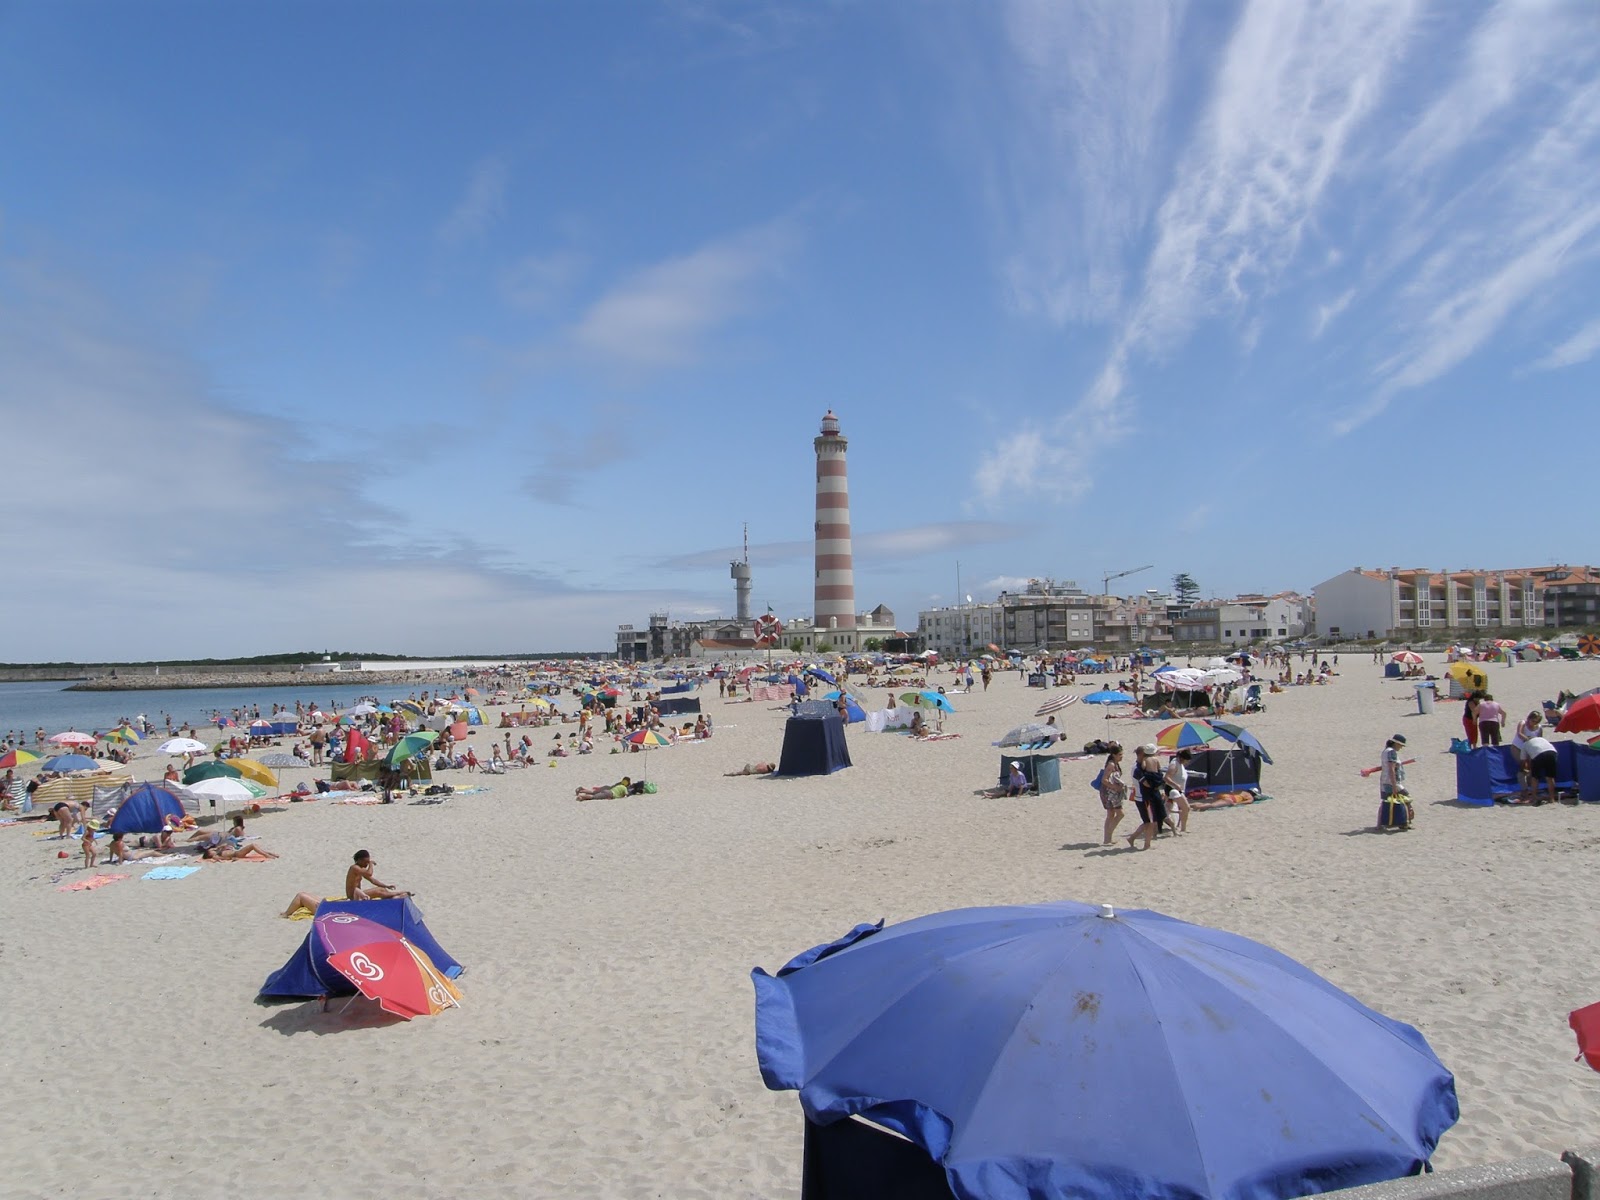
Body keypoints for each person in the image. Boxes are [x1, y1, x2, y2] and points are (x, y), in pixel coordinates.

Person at [1125, 745, 1165, 850]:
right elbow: (1146, 783)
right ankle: (1146, 844)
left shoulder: (1142, 766)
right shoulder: (1137, 768)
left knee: (1149, 822)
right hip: (1143, 798)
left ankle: (1133, 838)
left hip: (1146, 796)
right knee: (1149, 822)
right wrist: (1155, 784)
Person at [1378, 734, 1412, 830]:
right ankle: (1405, 823)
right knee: (1407, 799)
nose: (1401, 747)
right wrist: (1394, 786)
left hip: (1384, 781)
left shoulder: (1385, 751)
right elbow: (1391, 769)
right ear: (1396, 743)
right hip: (1392, 782)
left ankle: (1380, 824)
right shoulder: (1392, 753)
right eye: (1401, 745)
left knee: (1386, 802)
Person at [346, 850, 411, 899]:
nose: (366, 864)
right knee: (378, 892)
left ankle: (393, 897)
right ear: (359, 860)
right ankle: (399, 893)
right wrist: (371, 864)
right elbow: (369, 874)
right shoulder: (354, 868)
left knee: (382, 889)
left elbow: (373, 880)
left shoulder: (361, 869)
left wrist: (386, 886)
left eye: (368, 862)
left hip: (359, 893)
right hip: (353, 895)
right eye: (365, 862)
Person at [1518, 733, 1559, 806]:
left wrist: (1524, 770)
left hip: (1538, 755)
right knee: (1550, 777)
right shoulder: (1541, 739)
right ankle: (1552, 798)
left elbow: (1523, 761)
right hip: (1552, 752)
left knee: (1535, 778)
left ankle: (1534, 797)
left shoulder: (1525, 744)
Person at [1098, 743, 1127, 846]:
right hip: (1109, 792)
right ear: (1114, 755)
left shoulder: (1115, 763)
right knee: (1120, 814)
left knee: (1111, 814)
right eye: (1119, 755)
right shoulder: (1111, 765)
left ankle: (1107, 839)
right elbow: (1104, 780)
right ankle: (1108, 835)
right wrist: (1115, 787)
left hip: (1113, 792)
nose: (1121, 756)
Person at [1163, 749, 1194, 835]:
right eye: (1187, 760)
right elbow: (1166, 778)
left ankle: (1178, 827)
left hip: (1178, 790)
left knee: (1168, 809)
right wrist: (1176, 785)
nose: (1188, 762)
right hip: (1172, 789)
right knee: (1186, 807)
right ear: (1182, 758)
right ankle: (1182, 829)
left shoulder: (1180, 764)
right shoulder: (1174, 765)